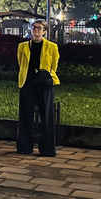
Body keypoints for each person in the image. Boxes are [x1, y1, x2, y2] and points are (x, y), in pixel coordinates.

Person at [16, 20, 60, 156]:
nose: (36, 30)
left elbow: (54, 64)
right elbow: (20, 63)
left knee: (46, 115)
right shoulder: (22, 46)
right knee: (25, 115)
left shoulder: (52, 47)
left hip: (45, 83)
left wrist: (46, 76)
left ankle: (47, 149)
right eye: (34, 27)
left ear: (45, 31)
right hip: (27, 82)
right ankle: (24, 146)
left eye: (39, 28)